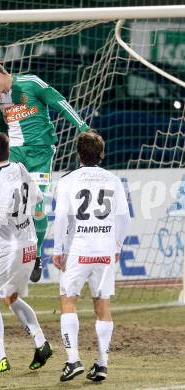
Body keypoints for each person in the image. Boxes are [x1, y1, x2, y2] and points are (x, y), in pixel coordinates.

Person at [0, 41, 90, 284]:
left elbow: (60, 103)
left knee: (38, 209)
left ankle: (37, 256)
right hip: (15, 155)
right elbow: (0, 127)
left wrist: (83, 127)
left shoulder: (32, 83)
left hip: (40, 156)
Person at [0, 132, 53, 374]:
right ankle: (41, 343)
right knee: (11, 297)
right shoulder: (20, 168)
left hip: (8, 248)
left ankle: (0, 357)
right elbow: (37, 197)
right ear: (9, 152)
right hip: (29, 244)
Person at [52, 130, 130, 383]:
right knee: (102, 305)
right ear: (102, 154)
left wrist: (57, 249)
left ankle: (73, 359)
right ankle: (102, 364)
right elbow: (123, 217)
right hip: (105, 251)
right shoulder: (114, 181)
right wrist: (116, 246)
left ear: (78, 155)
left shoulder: (67, 181)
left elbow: (62, 216)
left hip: (79, 249)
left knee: (68, 300)